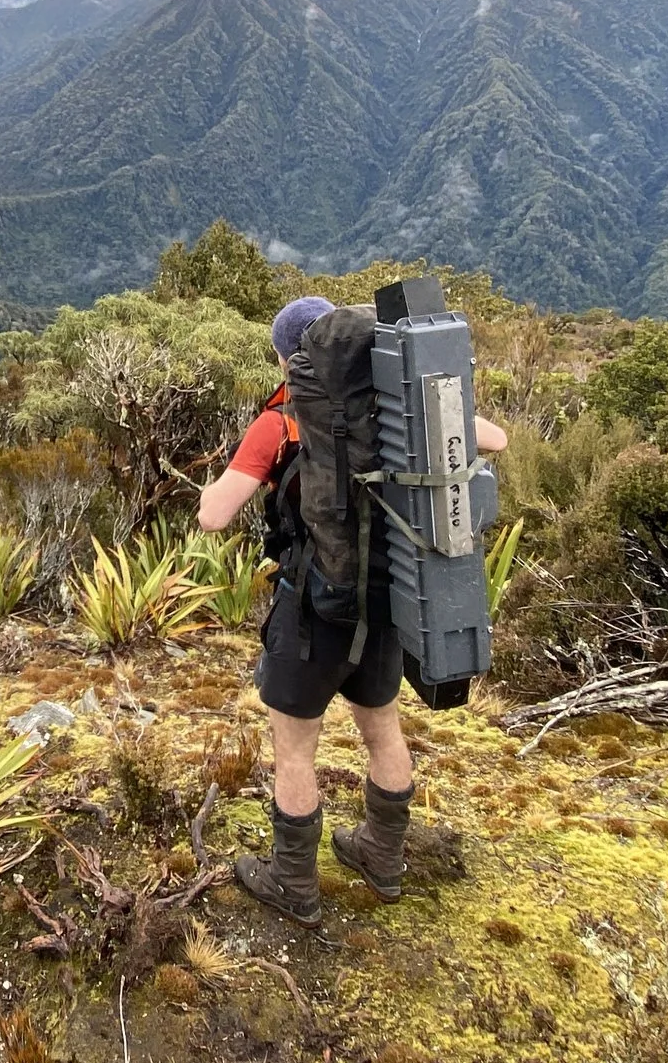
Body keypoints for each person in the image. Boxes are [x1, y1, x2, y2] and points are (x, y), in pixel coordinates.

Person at [197, 294, 507, 923]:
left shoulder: (282, 420)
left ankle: (293, 882)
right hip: (391, 599)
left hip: (314, 606)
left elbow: (212, 516)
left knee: (294, 751)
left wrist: (217, 485)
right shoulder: (400, 406)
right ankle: (381, 856)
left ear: (291, 360)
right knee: (383, 732)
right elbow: (494, 438)